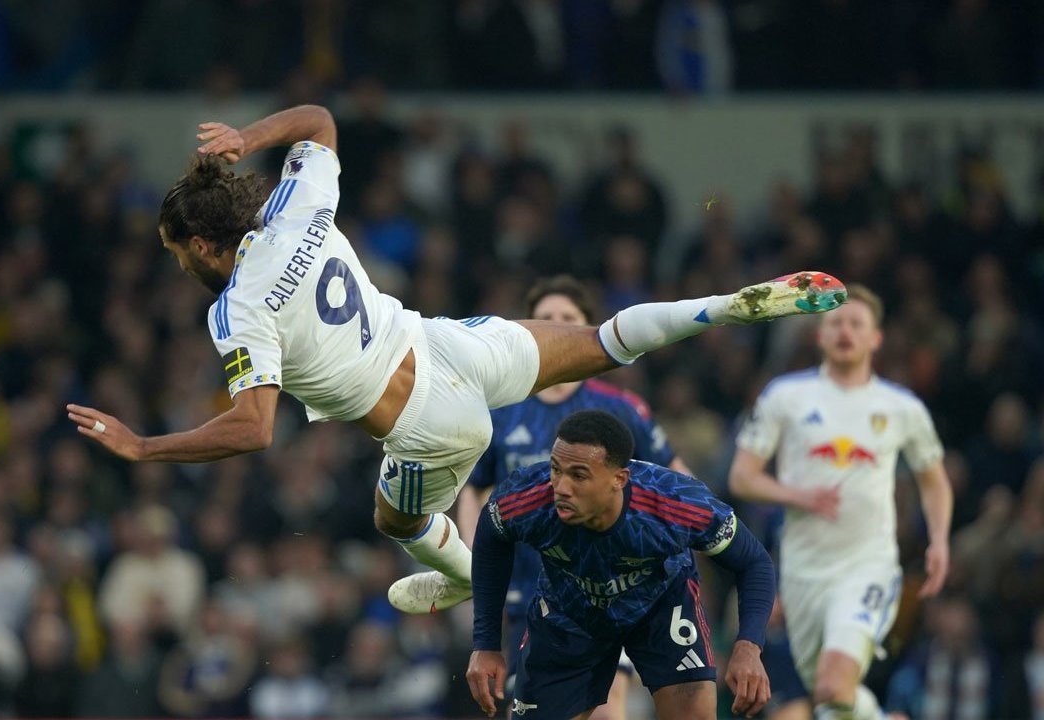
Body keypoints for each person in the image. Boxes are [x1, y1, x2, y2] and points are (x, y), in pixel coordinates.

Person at [65, 103, 847, 614]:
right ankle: (721, 305)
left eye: (177, 252)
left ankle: (471, 578)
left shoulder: (235, 309)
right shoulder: (292, 208)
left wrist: (145, 447)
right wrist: (246, 138)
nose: (179, 266)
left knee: (394, 516)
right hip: (448, 343)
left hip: (425, 425)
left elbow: (254, 428)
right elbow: (320, 122)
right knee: (600, 341)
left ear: (205, 245)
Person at [456, 275, 693, 720]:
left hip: (613, 584)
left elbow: (678, 479)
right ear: (527, 331)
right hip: (529, 588)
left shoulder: (619, 407)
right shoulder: (501, 411)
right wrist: (471, 553)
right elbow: (475, 488)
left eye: (568, 317)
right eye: (545, 318)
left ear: (587, 328)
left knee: (606, 709)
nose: (557, 325)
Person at [728, 284, 952, 720]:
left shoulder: (901, 407)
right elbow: (742, 475)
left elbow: (934, 481)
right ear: (820, 335)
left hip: (868, 565)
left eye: (856, 323)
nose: (845, 331)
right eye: (836, 322)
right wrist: (798, 495)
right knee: (831, 698)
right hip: (802, 571)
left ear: (876, 337)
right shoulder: (785, 396)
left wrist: (940, 540)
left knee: (832, 683)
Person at [466, 410, 775, 720]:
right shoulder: (527, 496)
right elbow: (491, 537)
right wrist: (486, 644)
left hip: (660, 607)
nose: (561, 487)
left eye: (579, 475)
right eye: (556, 469)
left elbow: (754, 561)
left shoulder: (677, 502)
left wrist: (749, 646)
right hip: (568, 612)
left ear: (619, 479)